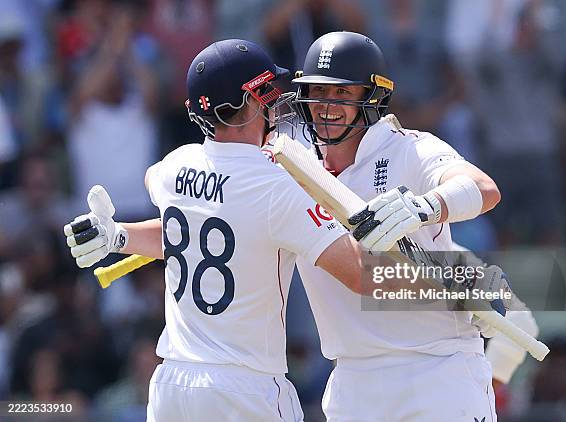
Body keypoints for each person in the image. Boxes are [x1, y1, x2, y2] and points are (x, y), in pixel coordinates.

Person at [63, 39, 369, 421]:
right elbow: (361, 274)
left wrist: (118, 235)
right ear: (255, 99)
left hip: (173, 383)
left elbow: (189, 231)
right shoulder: (277, 187)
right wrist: (458, 282)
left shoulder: (173, 168)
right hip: (246, 389)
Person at [290, 31, 505, 421]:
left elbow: (484, 189)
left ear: (372, 97)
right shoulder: (295, 172)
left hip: (437, 368)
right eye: (318, 92)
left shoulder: (408, 148)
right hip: (353, 380)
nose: (326, 106)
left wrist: (425, 206)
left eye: (342, 94)